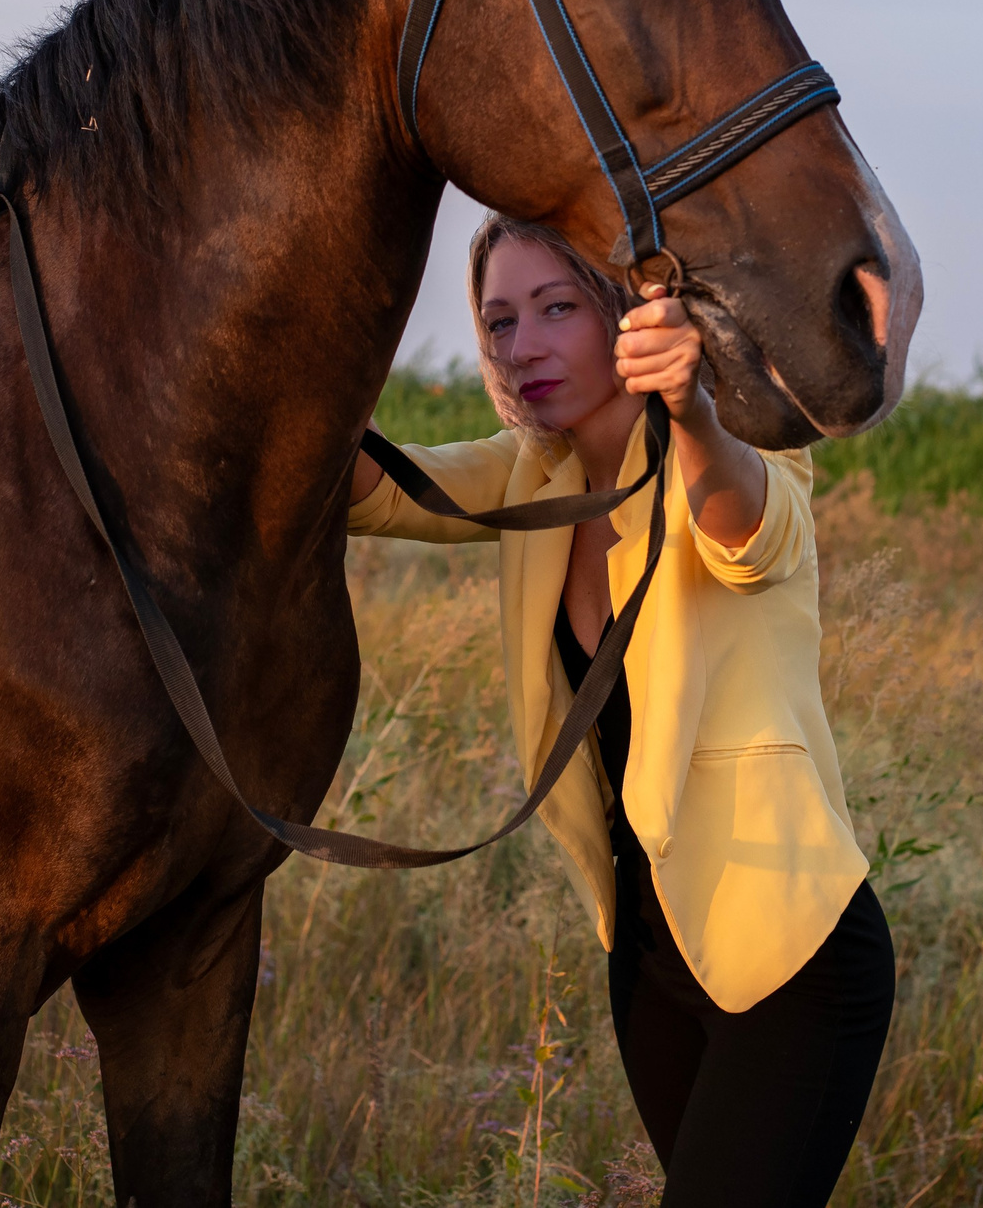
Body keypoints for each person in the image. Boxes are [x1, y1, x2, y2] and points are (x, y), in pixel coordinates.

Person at [348, 214, 895, 1208]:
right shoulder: (533, 472)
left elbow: (747, 532)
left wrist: (691, 409)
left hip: (790, 951)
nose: (523, 346)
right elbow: (373, 486)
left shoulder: (740, 446)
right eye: (499, 319)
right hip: (646, 960)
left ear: (625, 313)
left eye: (557, 307)